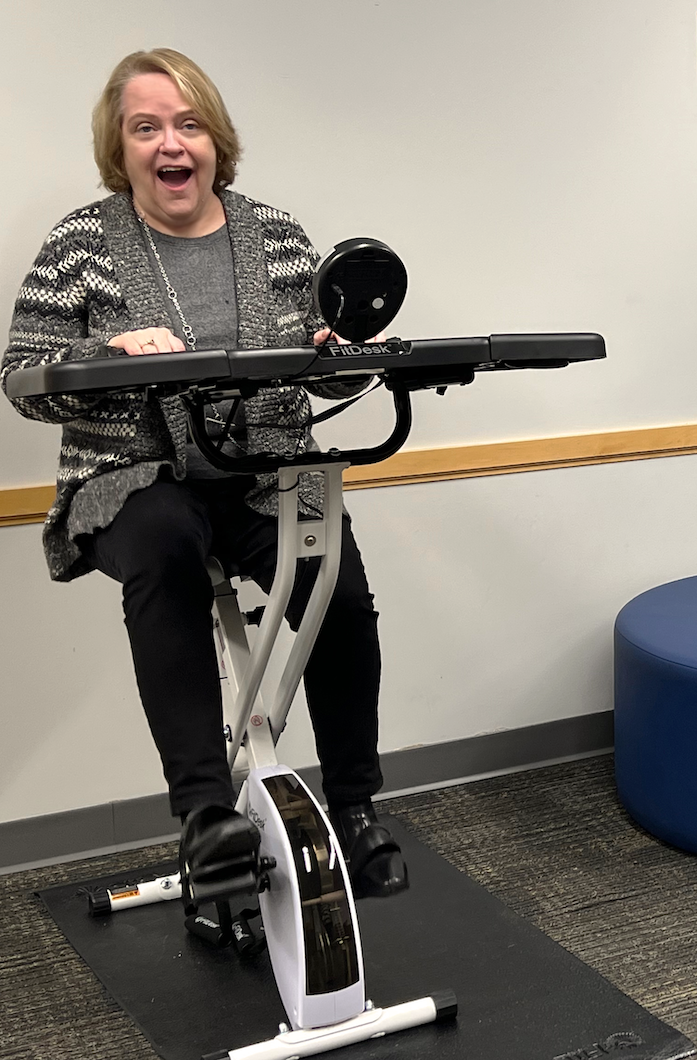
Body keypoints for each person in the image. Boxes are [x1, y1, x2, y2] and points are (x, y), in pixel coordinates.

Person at [1, 49, 407, 900]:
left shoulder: (279, 236)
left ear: (216, 140)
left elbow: (322, 369)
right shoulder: (82, 244)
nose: (170, 144)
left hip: (265, 475)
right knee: (164, 547)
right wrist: (102, 350)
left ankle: (358, 812)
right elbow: (22, 378)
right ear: (121, 147)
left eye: (188, 124)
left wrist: (336, 355)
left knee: (336, 583)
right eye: (146, 127)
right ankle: (206, 817)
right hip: (134, 480)